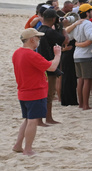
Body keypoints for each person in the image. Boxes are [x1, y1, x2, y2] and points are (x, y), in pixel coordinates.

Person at [13, 28, 61, 156]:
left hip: (23, 91)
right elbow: (52, 67)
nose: (39, 41)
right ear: (32, 40)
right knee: (33, 120)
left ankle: (18, 145)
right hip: (34, 92)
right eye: (38, 38)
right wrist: (57, 55)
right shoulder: (31, 54)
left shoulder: (17, 53)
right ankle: (28, 149)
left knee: (28, 119)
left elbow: (43, 66)